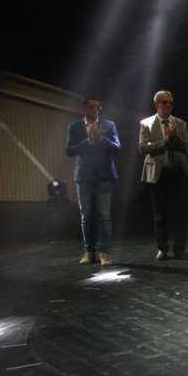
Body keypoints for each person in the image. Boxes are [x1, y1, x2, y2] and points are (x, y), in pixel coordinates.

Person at [65, 96, 120, 265]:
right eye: (91, 106)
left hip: (104, 176)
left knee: (104, 216)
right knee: (86, 216)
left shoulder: (109, 125)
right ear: (84, 108)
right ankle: (89, 251)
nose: (95, 109)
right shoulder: (75, 127)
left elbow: (117, 147)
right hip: (84, 177)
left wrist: (102, 139)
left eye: (97, 107)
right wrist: (87, 142)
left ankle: (105, 253)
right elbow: (69, 150)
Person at [139, 90, 188, 260]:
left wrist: (175, 139)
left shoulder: (180, 123)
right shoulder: (146, 123)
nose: (168, 105)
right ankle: (162, 248)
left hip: (177, 172)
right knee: (160, 213)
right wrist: (165, 142)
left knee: (180, 212)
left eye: (170, 102)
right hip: (157, 173)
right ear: (157, 105)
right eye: (164, 102)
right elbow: (142, 148)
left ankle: (180, 248)